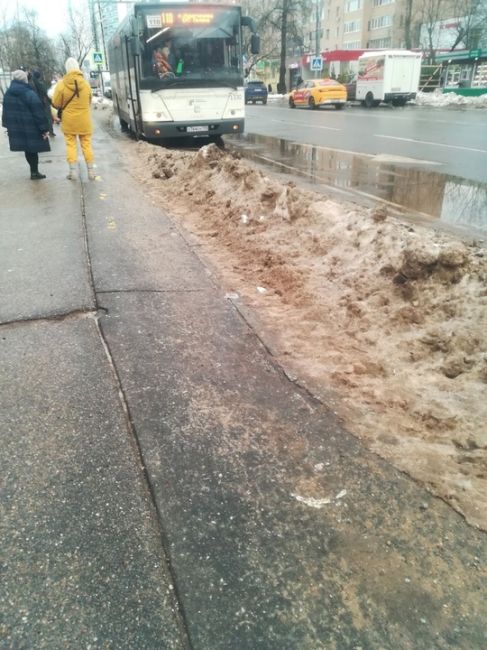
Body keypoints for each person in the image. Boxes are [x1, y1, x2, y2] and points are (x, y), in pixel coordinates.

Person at [1, 69, 50, 180]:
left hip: (17, 126)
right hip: (31, 126)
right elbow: (38, 111)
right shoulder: (29, 93)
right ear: (24, 79)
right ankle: (34, 172)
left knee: (27, 149)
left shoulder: (8, 93)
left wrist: (7, 125)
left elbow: (6, 110)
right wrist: (44, 128)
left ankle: (34, 171)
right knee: (33, 149)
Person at [52, 57, 95, 180]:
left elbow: (56, 103)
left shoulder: (61, 85)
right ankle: (91, 172)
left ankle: (73, 173)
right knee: (86, 145)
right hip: (84, 120)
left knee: (71, 145)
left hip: (69, 121)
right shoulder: (86, 84)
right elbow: (89, 101)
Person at [31, 70, 55, 137]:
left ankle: (42, 132)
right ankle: (51, 132)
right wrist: (50, 102)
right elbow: (46, 93)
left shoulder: (31, 83)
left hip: (36, 103)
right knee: (48, 118)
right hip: (44, 102)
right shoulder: (40, 84)